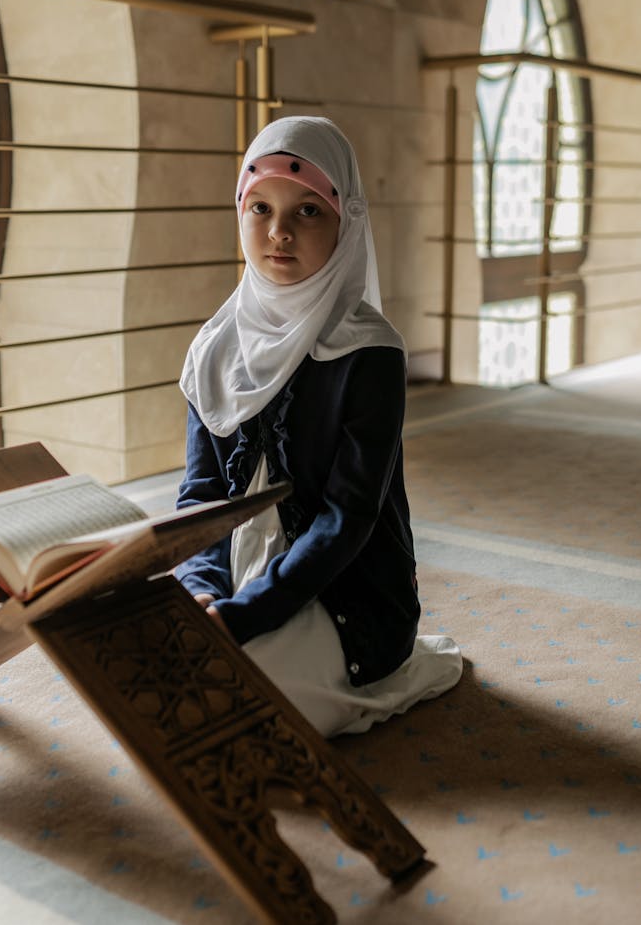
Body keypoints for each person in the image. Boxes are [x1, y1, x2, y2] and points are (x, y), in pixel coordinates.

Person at [175, 115, 461, 737]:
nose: (278, 233)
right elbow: (198, 497)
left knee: (243, 703)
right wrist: (201, 592)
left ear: (345, 222)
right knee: (160, 668)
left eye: (307, 211)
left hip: (344, 596)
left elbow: (345, 522)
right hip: (234, 579)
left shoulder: (370, 353)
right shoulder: (215, 347)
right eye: (259, 208)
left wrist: (242, 616)